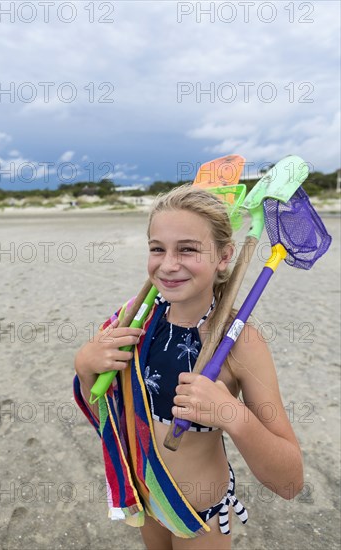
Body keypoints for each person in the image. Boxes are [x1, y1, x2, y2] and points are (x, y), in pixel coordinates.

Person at [74, 185, 304, 550]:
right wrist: (85, 367)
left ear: (225, 256)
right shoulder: (134, 319)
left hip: (198, 515)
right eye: (157, 249)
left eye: (188, 249)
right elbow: (109, 415)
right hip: (146, 498)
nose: (167, 264)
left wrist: (231, 413)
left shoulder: (240, 341)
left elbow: (290, 480)